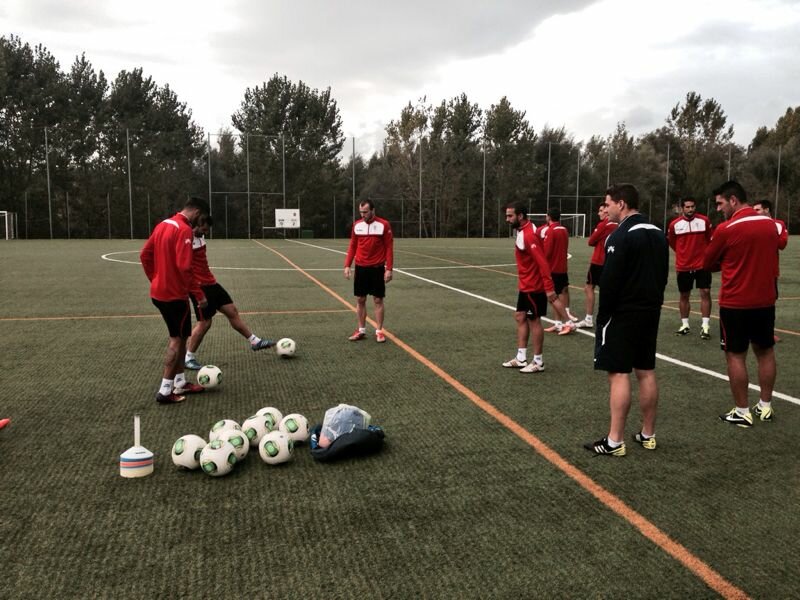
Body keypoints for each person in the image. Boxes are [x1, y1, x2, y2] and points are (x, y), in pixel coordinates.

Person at [585, 184, 668, 456]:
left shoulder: (619, 235)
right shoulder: (658, 232)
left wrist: (604, 316)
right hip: (650, 311)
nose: (605, 208)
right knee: (645, 371)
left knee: (619, 373)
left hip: (623, 313)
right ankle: (648, 434)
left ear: (621, 204)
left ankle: (614, 441)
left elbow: (610, 281)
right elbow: (664, 274)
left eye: (608, 203)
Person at [704, 181, 780, 427]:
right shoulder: (771, 225)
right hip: (766, 301)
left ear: (733, 200)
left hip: (736, 302)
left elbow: (707, 262)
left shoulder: (727, 229)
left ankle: (742, 410)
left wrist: (725, 262)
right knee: (765, 352)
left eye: (720, 203)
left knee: (735, 356)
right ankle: (765, 406)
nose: (718, 209)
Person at [140, 196, 209, 404]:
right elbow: (185, 267)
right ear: (197, 212)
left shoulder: (163, 224)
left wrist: (155, 279)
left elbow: (145, 255)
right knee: (177, 340)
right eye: (202, 218)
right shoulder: (184, 229)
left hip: (159, 293)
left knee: (182, 334)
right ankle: (165, 390)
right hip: (174, 295)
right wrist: (199, 294)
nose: (201, 223)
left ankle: (180, 382)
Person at [184, 215, 275, 370]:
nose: (205, 232)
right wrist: (196, 292)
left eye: (207, 230)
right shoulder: (186, 238)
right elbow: (184, 266)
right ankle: (188, 357)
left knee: (231, 311)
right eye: (203, 229)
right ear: (197, 224)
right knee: (205, 323)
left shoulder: (199, 236)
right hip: (199, 287)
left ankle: (255, 341)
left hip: (211, 283)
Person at [502, 202, 570, 373]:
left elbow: (542, 262)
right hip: (525, 285)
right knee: (520, 316)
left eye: (510, 216)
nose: (507, 219)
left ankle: (538, 361)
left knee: (534, 321)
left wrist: (548, 287)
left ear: (520, 216)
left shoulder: (529, 235)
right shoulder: (525, 230)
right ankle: (521, 357)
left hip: (534, 286)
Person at [344, 200, 394, 343]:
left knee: (378, 300)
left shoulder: (384, 225)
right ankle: (361, 330)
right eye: (361, 212)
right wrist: (347, 265)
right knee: (360, 299)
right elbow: (352, 246)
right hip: (361, 268)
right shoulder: (357, 225)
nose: (363, 214)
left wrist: (389, 269)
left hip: (377, 268)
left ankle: (379, 331)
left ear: (373, 210)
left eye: (365, 212)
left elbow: (389, 248)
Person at [667, 197, 713, 339]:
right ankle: (685, 325)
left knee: (705, 292)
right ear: (682, 208)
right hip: (684, 266)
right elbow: (673, 243)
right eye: (687, 207)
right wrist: (684, 254)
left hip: (702, 264)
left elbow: (709, 238)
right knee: (684, 295)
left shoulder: (704, 221)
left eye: (692, 206)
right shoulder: (674, 224)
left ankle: (705, 326)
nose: (690, 209)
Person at [575, 203, 617, 329]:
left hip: (598, 262)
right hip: (610, 261)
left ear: (607, 212)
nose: (599, 213)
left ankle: (589, 318)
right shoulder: (618, 225)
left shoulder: (604, 225)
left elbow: (591, 241)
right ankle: (611, 318)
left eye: (601, 211)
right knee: (609, 291)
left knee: (589, 288)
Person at [753, 199, 788, 342]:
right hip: (751, 271)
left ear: (766, 210)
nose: (754, 213)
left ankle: (768, 332)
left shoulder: (778, 224)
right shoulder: (750, 224)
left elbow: (782, 244)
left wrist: (767, 232)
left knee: (769, 303)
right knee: (750, 302)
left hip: (770, 272)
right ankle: (751, 331)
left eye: (757, 210)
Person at [539, 208, 577, 335]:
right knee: (558, 295)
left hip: (553, 268)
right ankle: (558, 324)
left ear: (548, 217)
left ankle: (568, 323)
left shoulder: (551, 231)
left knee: (552, 297)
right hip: (562, 267)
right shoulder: (564, 230)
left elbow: (547, 252)